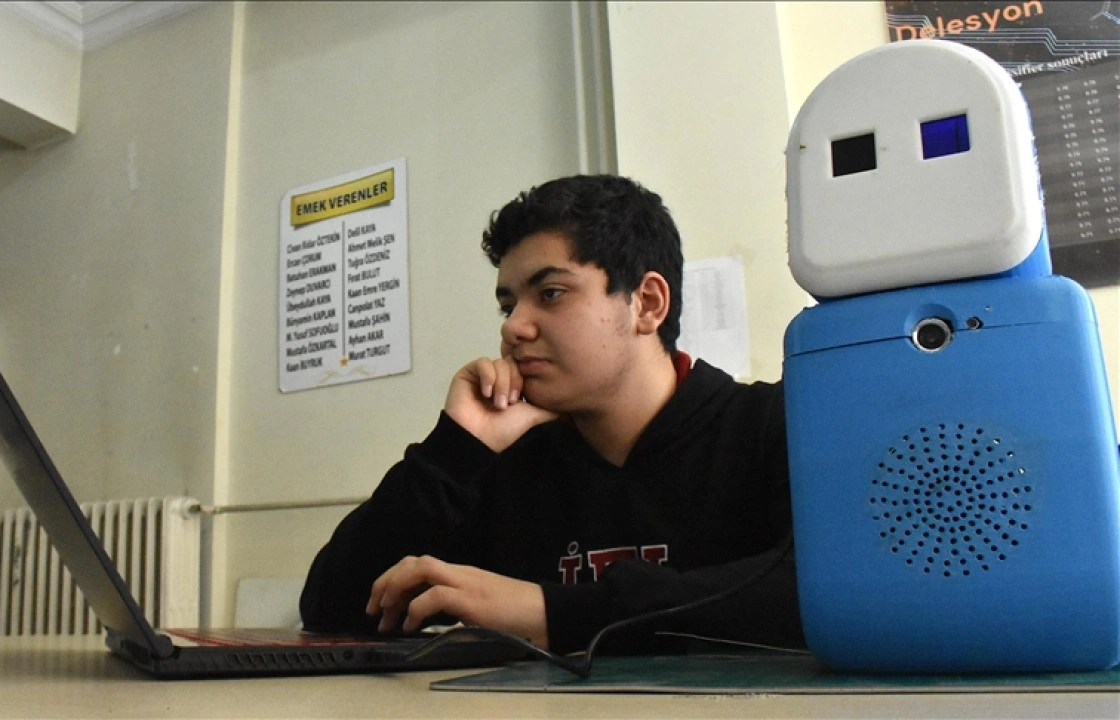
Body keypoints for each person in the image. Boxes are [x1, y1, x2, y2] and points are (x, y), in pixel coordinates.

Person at [300, 174, 804, 656]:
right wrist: (454, 451)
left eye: (551, 294)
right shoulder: (505, 464)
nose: (514, 328)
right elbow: (332, 607)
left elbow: (811, 593)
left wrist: (552, 613)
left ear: (647, 304)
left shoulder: (776, 425)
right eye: (508, 306)